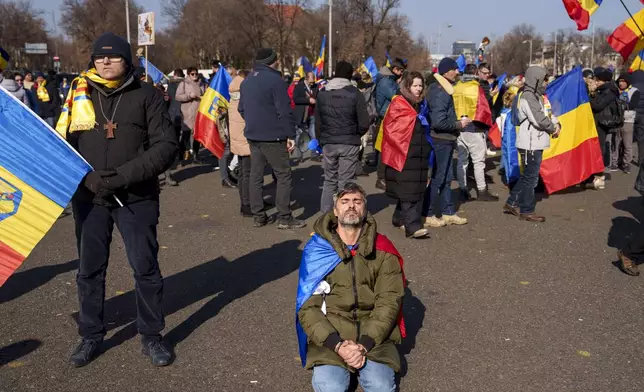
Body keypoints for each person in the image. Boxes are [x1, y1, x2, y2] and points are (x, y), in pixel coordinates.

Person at [55, 32, 178, 367]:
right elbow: (61, 144)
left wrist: (124, 176)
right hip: (90, 196)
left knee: (145, 267)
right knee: (89, 269)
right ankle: (90, 334)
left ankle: (152, 335)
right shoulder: (78, 93)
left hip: (136, 196)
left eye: (113, 56)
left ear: (127, 60)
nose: (105, 61)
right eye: (99, 56)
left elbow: (166, 145)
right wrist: (87, 177)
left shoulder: (147, 94)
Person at [296, 182, 404, 392]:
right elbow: (308, 308)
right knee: (330, 387)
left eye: (357, 201)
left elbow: (389, 302)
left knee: (381, 387)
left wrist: (364, 344)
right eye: (344, 202)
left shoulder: (383, 249)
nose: (351, 206)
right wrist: (338, 345)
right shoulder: (318, 251)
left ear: (365, 209)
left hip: (374, 336)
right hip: (332, 336)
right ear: (335, 211)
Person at [239, 48, 306, 229]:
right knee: (283, 175)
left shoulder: (246, 82)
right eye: (276, 60)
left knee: (256, 176)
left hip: (253, 135)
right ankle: (284, 217)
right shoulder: (275, 80)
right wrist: (290, 135)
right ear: (273, 61)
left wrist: (254, 122)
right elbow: (284, 110)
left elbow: (241, 109)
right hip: (273, 136)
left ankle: (258, 216)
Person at [503, 65, 560, 222]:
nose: (546, 83)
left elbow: (547, 113)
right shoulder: (528, 96)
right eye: (544, 80)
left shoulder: (538, 96)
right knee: (531, 178)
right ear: (536, 79)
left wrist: (557, 124)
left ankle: (512, 203)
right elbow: (538, 119)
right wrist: (552, 128)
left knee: (528, 176)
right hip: (530, 143)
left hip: (535, 142)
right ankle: (527, 210)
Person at [315, 61, 370, 214]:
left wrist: (321, 139)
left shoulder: (323, 92)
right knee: (346, 182)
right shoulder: (355, 93)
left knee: (329, 180)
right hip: (349, 142)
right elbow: (364, 122)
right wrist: (356, 134)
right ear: (350, 74)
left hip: (328, 142)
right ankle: (344, 216)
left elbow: (318, 121)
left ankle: (326, 215)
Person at [382, 71, 431, 239]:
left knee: (414, 188)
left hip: (420, 153)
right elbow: (391, 130)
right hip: (404, 155)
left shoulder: (421, 105)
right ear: (407, 86)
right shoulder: (399, 103)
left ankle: (398, 217)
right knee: (409, 190)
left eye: (420, 86)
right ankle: (412, 226)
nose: (418, 89)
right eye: (414, 85)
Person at [423, 57, 470, 228]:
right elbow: (438, 122)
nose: (457, 72)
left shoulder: (443, 89)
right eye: (454, 69)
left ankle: (448, 211)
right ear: (445, 71)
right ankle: (428, 213)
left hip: (446, 139)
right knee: (438, 177)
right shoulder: (440, 91)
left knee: (447, 177)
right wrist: (459, 124)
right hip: (440, 140)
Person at [454, 64, 499, 202]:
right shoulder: (477, 87)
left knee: (462, 161)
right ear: (475, 73)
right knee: (479, 162)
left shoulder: (456, 87)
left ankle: (462, 190)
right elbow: (485, 108)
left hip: (458, 127)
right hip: (475, 127)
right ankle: (482, 191)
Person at [373, 58, 407, 190]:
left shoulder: (389, 80)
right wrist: (401, 85)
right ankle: (381, 178)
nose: (401, 74)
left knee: (389, 150)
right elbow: (397, 96)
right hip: (386, 118)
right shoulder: (387, 82)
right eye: (401, 71)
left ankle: (386, 177)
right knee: (384, 150)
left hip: (390, 117)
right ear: (395, 70)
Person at [589, 67, 621, 190]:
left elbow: (598, 106)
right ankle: (594, 176)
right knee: (596, 149)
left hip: (602, 124)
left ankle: (599, 177)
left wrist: (591, 95)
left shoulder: (610, 91)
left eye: (597, 80)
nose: (595, 82)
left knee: (600, 149)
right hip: (597, 123)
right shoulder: (602, 90)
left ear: (603, 81)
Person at [229, 70, 252, 216]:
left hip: (238, 139)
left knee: (244, 173)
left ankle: (247, 202)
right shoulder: (244, 97)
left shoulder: (233, 97)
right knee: (248, 174)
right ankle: (247, 204)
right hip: (245, 139)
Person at [175, 66, 205, 163]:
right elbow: (177, 97)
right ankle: (180, 155)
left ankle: (196, 156)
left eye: (196, 73)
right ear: (188, 74)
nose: (195, 75)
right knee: (186, 135)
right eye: (192, 74)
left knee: (197, 136)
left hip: (199, 112)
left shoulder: (201, 83)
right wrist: (189, 96)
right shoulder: (184, 83)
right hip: (187, 114)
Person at [615, 74, 639, 174]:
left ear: (627, 82)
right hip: (616, 120)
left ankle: (626, 164)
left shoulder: (634, 91)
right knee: (616, 143)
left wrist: (621, 103)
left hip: (627, 121)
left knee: (627, 144)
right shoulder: (615, 90)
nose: (621, 83)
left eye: (623, 81)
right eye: (620, 81)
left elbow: (633, 105)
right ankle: (615, 162)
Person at [293, 71, 319, 160]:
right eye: (311, 81)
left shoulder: (315, 87)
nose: (312, 83)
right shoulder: (299, 87)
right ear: (306, 78)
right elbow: (295, 99)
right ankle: (299, 155)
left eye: (313, 81)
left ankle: (314, 155)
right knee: (300, 136)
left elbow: (318, 97)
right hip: (302, 115)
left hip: (312, 115)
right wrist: (308, 100)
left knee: (314, 135)